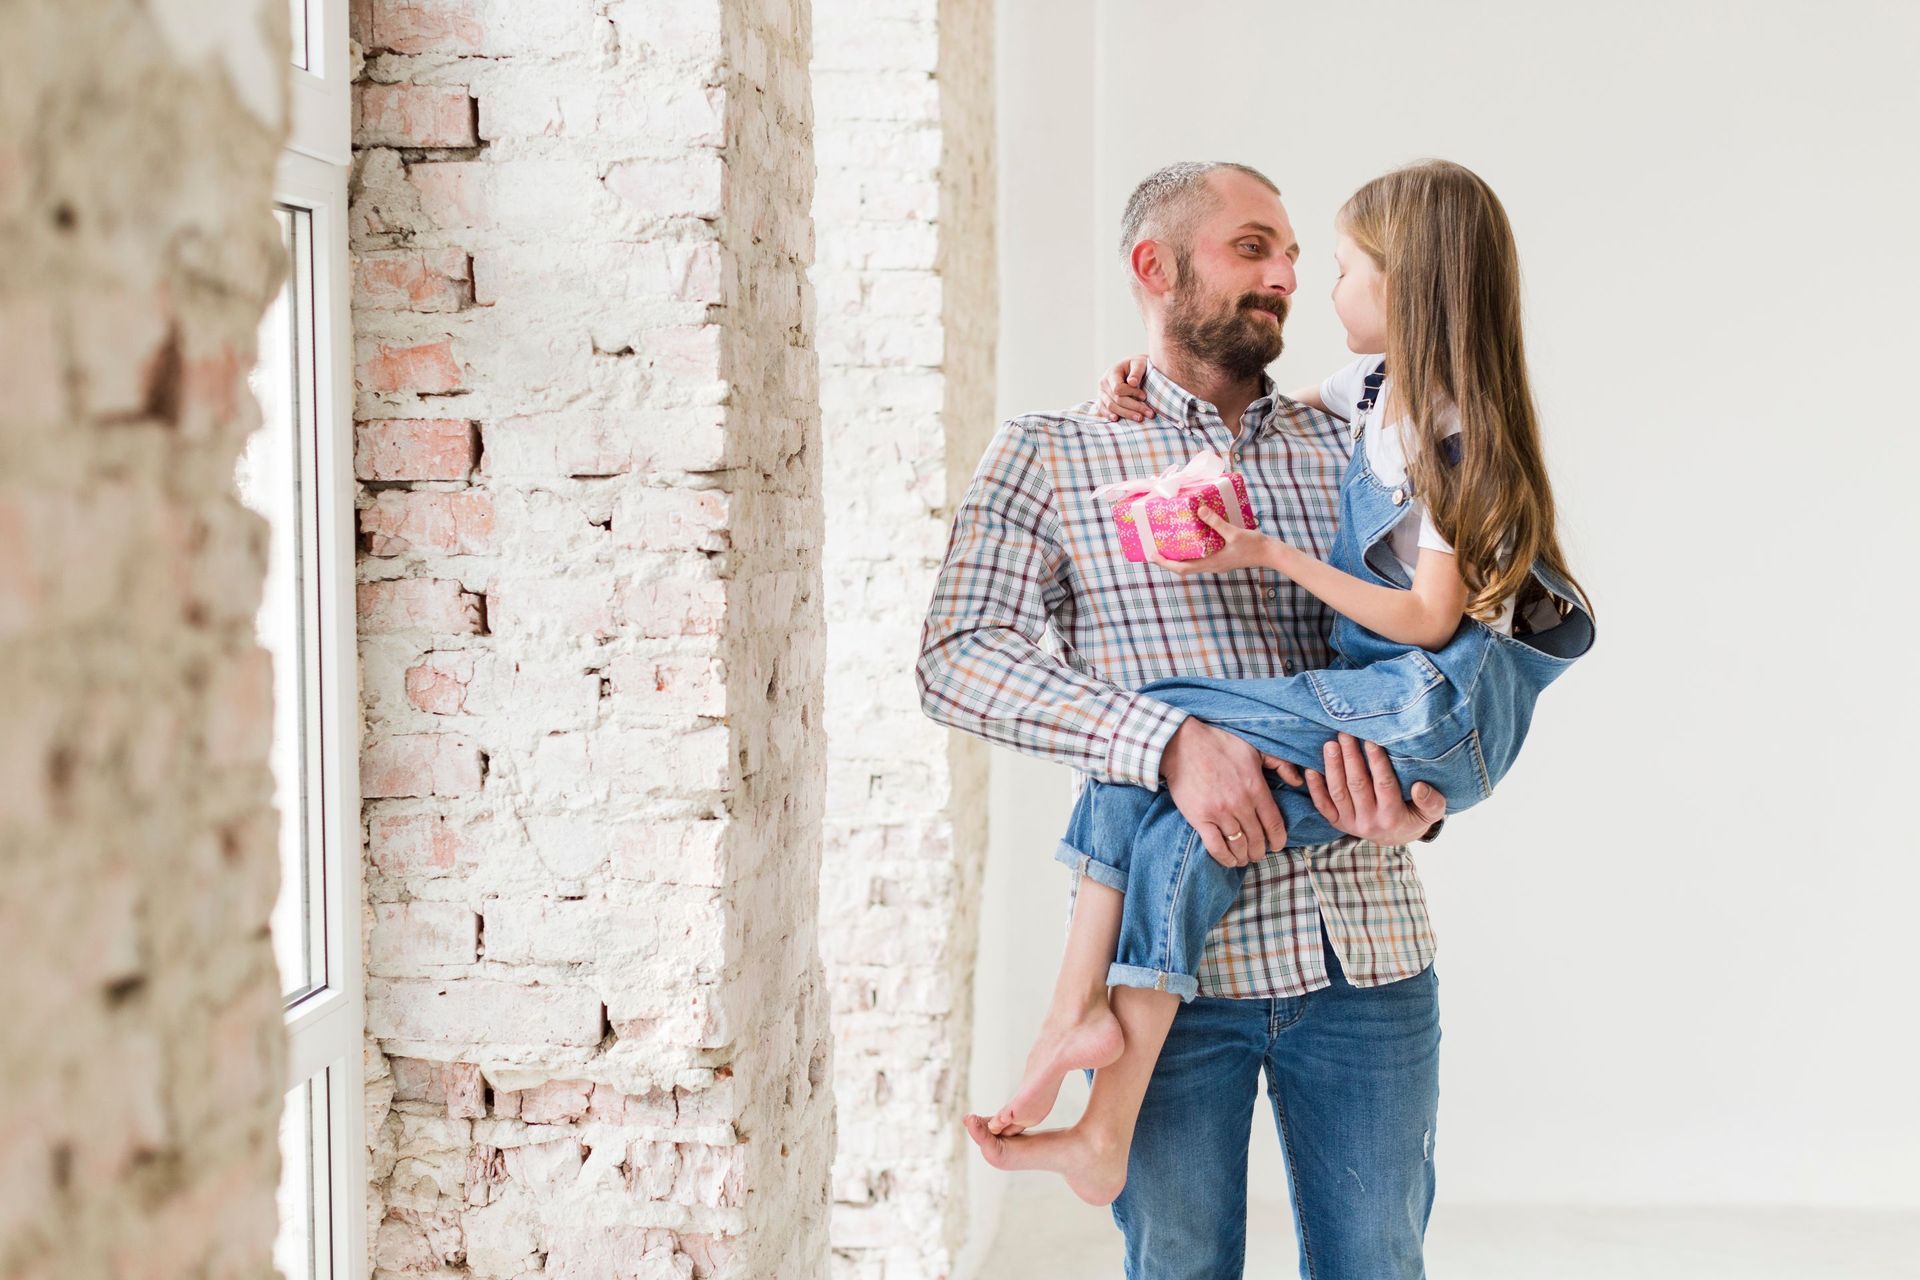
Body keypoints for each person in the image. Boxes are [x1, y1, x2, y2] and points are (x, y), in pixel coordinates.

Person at [964, 152, 1596, 1233]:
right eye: (1256, 248)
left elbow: (1412, 661)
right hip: (1182, 983)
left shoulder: (1357, 439)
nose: (1294, 277)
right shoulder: (1057, 450)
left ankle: (1077, 1034)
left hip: (1366, 951)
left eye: (1309, 257)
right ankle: (1084, 1041)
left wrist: (1416, 817)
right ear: (1154, 267)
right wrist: (1164, 743)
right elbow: (959, 656)